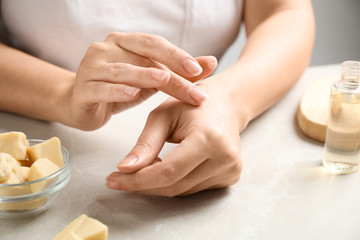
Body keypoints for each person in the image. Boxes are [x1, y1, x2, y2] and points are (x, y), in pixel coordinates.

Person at [0, 0, 315, 196]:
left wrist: (228, 100)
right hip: (35, 120)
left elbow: (285, 11)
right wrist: (64, 93)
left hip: (201, 114)